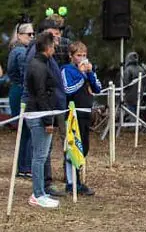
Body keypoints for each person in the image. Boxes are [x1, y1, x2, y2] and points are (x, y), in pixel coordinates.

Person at [24, 32, 62, 209]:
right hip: (38, 115)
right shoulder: (38, 66)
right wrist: (48, 120)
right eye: (53, 46)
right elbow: (41, 94)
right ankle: (37, 194)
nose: (55, 49)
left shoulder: (40, 64)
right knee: (39, 156)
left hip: (40, 113)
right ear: (47, 47)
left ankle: (40, 191)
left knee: (42, 154)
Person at [61, 41, 103, 196]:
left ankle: (78, 178)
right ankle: (72, 182)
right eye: (79, 55)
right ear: (71, 56)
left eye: (84, 55)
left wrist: (90, 73)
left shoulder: (87, 71)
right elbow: (68, 89)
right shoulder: (67, 70)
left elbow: (98, 88)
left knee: (84, 147)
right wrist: (80, 74)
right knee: (74, 147)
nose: (82, 58)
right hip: (73, 112)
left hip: (86, 113)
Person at [6, 22, 34, 177]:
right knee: (25, 130)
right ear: (19, 35)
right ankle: (24, 167)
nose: (32, 37)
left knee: (24, 130)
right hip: (21, 90)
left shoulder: (17, 50)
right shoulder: (21, 52)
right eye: (28, 34)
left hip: (16, 90)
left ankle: (23, 166)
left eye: (33, 34)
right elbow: (25, 75)